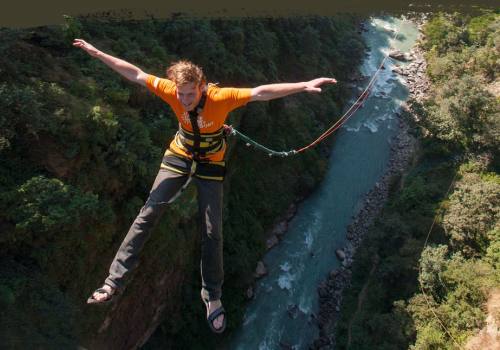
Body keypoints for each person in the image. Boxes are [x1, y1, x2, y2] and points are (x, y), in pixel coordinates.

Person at [73, 38, 337, 333]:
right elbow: (135, 74)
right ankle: (114, 282)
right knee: (148, 213)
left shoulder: (222, 97)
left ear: (202, 86)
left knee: (213, 232)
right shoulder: (171, 91)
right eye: (180, 94)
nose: (184, 100)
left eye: (189, 94)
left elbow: (261, 92)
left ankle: (212, 296)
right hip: (180, 154)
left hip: (211, 162)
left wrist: (303, 85)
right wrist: (97, 53)